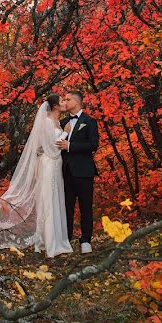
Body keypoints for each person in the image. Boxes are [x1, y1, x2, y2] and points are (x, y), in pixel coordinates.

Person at [0, 94, 73, 258]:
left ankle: (53, 240)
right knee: (48, 201)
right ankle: (50, 244)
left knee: (55, 199)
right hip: (49, 164)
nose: (65, 103)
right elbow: (51, 146)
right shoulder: (46, 122)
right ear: (55, 106)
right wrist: (65, 134)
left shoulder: (57, 122)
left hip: (56, 165)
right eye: (62, 101)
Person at [56, 90, 99, 253]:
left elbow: (93, 145)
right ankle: (66, 240)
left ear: (77, 102)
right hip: (65, 172)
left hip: (84, 171)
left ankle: (86, 240)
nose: (65, 102)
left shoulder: (89, 121)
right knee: (66, 207)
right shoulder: (63, 122)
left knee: (85, 206)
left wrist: (71, 146)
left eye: (68, 99)